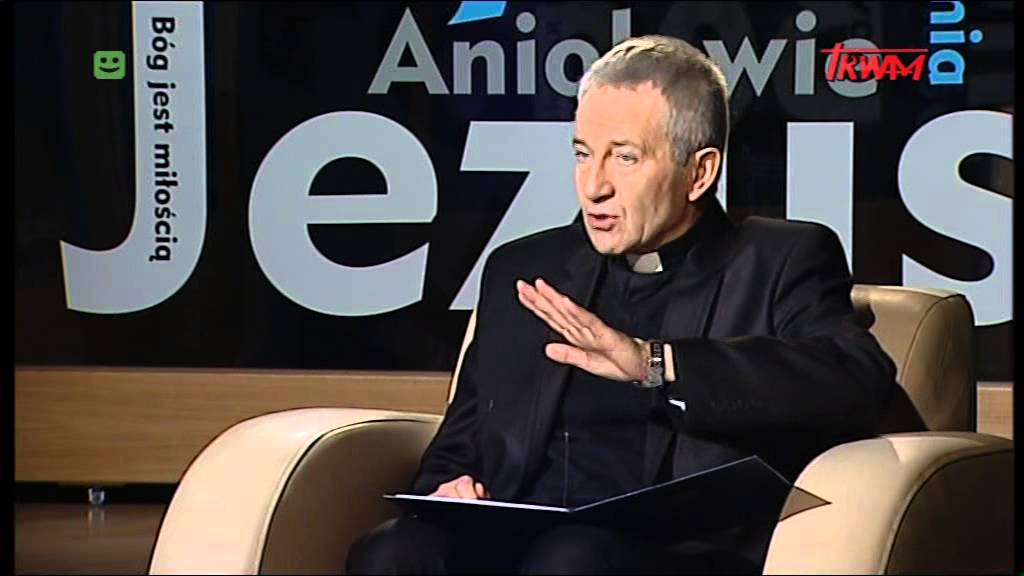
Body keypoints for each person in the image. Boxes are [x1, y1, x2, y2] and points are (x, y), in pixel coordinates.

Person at [346, 34, 897, 574]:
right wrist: (448, 488)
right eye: (583, 155)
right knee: (391, 551)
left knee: (572, 558)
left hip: (672, 551)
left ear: (699, 173)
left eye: (625, 158)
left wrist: (654, 364)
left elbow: (856, 380)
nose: (594, 186)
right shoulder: (526, 269)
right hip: (518, 537)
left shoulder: (777, 260)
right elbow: (462, 441)